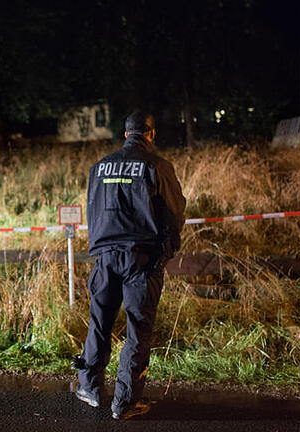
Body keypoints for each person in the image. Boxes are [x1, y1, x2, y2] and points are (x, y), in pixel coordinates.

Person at [73, 110, 186, 419]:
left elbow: (92, 210)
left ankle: (89, 387)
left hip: (106, 257)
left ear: (126, 134)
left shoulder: (99, 167)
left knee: (99, 323)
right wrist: (166, 253)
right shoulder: (157, 166)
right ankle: (124, 403)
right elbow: (175, 214)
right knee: (138, 328)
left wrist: (99, 247)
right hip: (142, 259)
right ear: (151, 134)